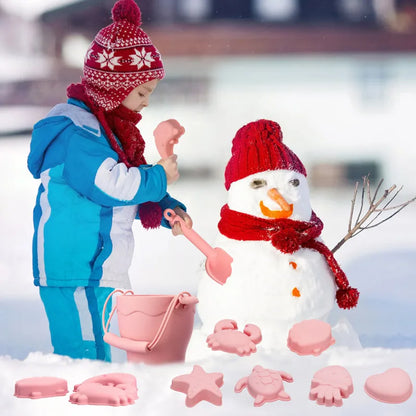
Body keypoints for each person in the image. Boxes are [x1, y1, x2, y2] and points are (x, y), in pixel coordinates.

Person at [27, 0, 192, 361]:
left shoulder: (109, 134)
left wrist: (164, 206)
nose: (147, 103)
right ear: (115, 88)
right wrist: (159, 176)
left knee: (108, 351)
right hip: (74, 266)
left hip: (100, 265)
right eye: (142, 92)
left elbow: (126, 186)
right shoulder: (78, 133)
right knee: (83, 354)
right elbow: (111, 185)